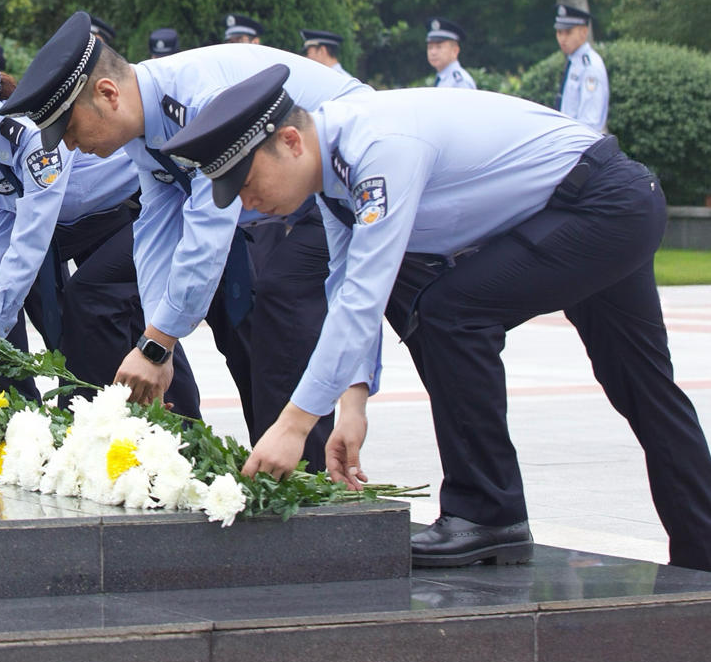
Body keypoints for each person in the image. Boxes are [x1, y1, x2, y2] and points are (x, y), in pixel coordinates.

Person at [160, 67, 711, 573]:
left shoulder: (377, 150)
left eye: (246, 183)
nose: (247, 203)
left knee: (451, 312)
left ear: (290, 141)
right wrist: (352, 405)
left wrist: (293, 424)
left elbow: (364, 298)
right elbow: (346, 288)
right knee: (646, 389)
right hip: (600, 205)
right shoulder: (332, 178)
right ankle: (702, 552)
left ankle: (488, 512)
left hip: (602, 205)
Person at [2, 12, 369, 467]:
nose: (71, 148)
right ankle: (282, 473)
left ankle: (303, 477)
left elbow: (208, 228)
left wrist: (158, 343)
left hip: (345, 173)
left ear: (108, 94)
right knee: (274, 317)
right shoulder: (145, 125)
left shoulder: (197, 102)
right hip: (290, 195)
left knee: (282, 302)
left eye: (71, 130)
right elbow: (156, 230)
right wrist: (156, 342)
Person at [0, 40, 203, 414]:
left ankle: (142, 419)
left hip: (144, 209)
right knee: (109, 313)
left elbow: (28, 246)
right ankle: (137, 418)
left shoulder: (31, 134)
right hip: (89, 221)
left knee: (94, 298)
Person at [554, 4, 608, 132]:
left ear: (583, 32)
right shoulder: (574, 62)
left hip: (581, 141)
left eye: (568, 32)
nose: (562, 39)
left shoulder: (590, 67)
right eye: (559, 32)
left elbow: (590, 122)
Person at [426, 19, 476, 89]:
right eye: (430, 47)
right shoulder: (443, 78)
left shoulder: (459, 82)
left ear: (455, 51)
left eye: (439, 47)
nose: (433, 52)